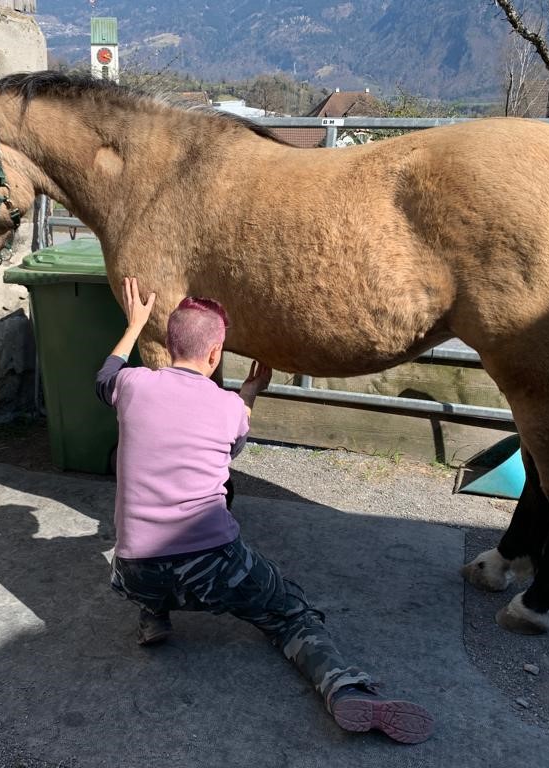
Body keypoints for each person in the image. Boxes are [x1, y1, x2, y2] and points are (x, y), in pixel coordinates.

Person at [94, 277, 434, 744]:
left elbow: (105, 376)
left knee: (141, 558)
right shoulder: (229, 407)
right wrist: (250, 392)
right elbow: (230, 447)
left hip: (133, 571)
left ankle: (153, 614)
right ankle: (343, 687)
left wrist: (133, 325)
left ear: (168, 343)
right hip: (213, 567)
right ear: (215, 355)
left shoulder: (133, 384)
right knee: (290, 614)